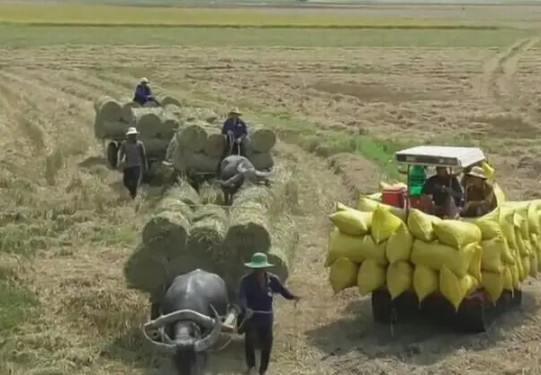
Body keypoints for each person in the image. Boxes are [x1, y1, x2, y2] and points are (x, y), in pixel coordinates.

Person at [237, 252, 300, 375]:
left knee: (267, 344)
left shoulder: (273, 280)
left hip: (266, 318)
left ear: (265, 268)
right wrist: (246, 309)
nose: (259, 271)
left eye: (261, 268)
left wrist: (293, 297)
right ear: (253, 268)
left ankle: (263, 370)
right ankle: (252, 367)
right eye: (257, 268)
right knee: (250, 340)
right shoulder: (246, 281)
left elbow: (283, 291)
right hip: (252, 318)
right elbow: (241, 297)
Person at [118, 127, 148, 199]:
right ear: (128, 136)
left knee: (135, 182)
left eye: (134, 135)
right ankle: (132, 192)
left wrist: (145, 165)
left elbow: (143, 155)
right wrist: (120, 162)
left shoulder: (140, 144)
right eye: (131, 135)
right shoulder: (124, 144)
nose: (132, 136)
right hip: (127, 166)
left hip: (136, 166)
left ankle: (133, 196)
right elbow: (121, 153)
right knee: (126, 182)